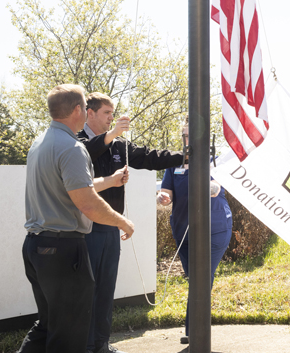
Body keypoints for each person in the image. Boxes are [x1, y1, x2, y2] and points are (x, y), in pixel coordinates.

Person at [19, 84, 135, 353]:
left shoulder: (40, 142)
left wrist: (109, 181)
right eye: (85, 107)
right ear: (76, 110)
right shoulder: (72, 147)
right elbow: (87, 204)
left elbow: (74, 188)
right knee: (69, 332)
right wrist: (122, 221)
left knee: (48, 324)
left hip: (36, 246)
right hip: (63, 250)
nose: (86, 111)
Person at [78, 92, 183, 353]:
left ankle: (102, 345)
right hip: (85, 229)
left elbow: (150, 157)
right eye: (106, 114)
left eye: (113, 114)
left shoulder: (118, 145)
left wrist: (184, 157)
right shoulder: (76, 141)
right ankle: (85, 345)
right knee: (86, 291)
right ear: (89, 113)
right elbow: (87, 152)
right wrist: (112, 133)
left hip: (111, 226)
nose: (111, 119)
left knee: (105, 289)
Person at [157, 121, 232, 345]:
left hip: (214, 230)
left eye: (194, 135)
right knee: (195, 280)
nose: (190, 139)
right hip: (184, 231)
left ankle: (195, 333)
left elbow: (218, 186)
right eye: (186, 135)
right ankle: (195, 331)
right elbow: (166, 191)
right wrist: (163, 197)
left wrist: (212, 186)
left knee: (202, 278)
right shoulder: (175, 163)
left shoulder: (216, 162)